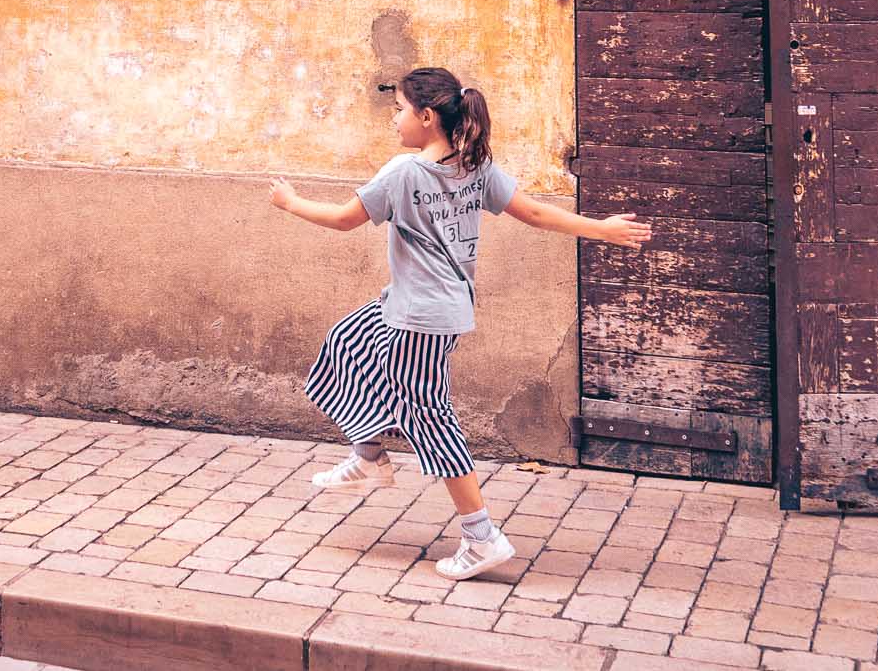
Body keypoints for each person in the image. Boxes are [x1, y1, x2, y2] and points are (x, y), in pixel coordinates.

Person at [271, 66, 652, 582]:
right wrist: (599, 229)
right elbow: (537, 215)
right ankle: (369, 456)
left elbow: (344, 219)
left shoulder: (404, 173)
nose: (395, 119)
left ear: (427, 117)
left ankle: (480, 536)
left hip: (420, 318)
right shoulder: (475, 166)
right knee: (348, 340)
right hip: (415, 306)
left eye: (400, 109)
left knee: (431, 419)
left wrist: (290, 203)